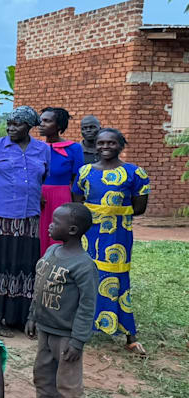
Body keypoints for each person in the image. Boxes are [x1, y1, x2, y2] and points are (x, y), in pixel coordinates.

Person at [23, 203, 97, 398]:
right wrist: (32, 316)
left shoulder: (84, 265)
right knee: (42, 374)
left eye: (56, 222)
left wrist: (78, 340)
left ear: (73, 230)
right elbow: (39, 287)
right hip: (45, 328)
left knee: (68, 384)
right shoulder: (52, 251)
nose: (50, 225)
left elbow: (87, 305)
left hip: (66, 336)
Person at [72, 128, 150, 355]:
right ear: (95, 145)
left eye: (111, 143)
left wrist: (112, 212)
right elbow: (78, 203)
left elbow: (139, 208)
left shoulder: (135, 173)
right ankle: (81, 326)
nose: (105, 147)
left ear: (121, 145)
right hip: (89, 234)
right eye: (101, 143)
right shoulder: (85, 172)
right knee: (86, 275)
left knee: (117, 277)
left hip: (118, 235)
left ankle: (129, 335)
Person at [0, 106, 50, 337]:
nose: (11, 128)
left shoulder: (43, 150)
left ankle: (18, 316)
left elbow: (41, 178)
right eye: (9, 123)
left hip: (28, 216)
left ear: (30, 127)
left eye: (17, 124)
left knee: (23, 266)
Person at [38, 107, 84, 256]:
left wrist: (76, 206)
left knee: (59, 232)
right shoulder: (36, 148)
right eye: (41, 120)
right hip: (37, 197)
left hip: (61, 197)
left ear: (59, 125)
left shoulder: (74, 148)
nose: (41, 124)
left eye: (47, 121)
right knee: (37, 234)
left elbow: (77, 179)